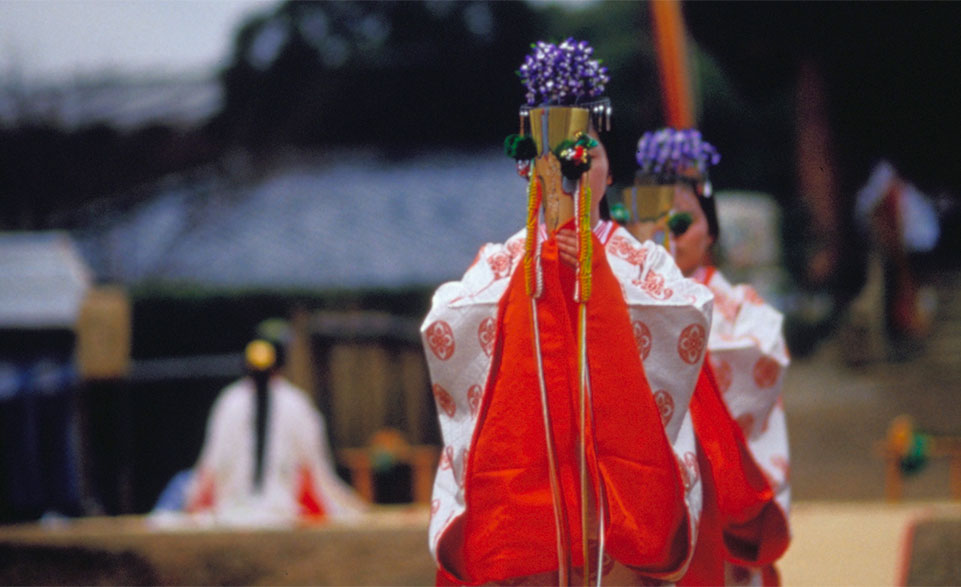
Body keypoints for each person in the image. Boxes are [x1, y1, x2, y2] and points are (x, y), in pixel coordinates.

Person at [422, 40, 713, 585]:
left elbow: (687, 315)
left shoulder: (642, 262)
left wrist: (596, 283)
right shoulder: (502, 264)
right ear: (526, 167)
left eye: (588, 154)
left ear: (608, 166)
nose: (570, 170)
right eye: (548, 156)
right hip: (531, 479)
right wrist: (526, 289)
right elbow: (445, 324)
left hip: (614, 482)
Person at [631, 128, 791, 585]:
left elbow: (755, 373)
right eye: (653, 219)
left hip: (721, 489)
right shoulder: (620, 303)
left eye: (682, 222)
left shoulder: (743, 309)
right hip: (652, 497)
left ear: (711, 231)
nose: (667, 235)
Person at [182, 335, 367, 527]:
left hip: (236, 509)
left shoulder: (230, 401)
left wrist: (193, 502)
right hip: (279, 508)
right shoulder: (295, 402)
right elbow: (315, 467)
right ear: (279, 367)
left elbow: (211, 464)